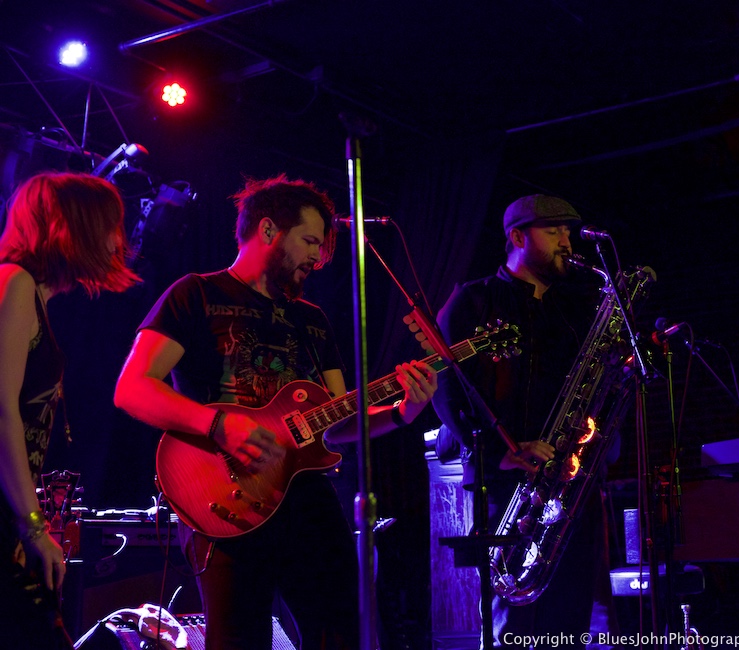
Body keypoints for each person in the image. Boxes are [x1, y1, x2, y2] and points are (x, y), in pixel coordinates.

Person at [113, 173, 437, 650]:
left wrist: (403, 412)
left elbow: (339, 420)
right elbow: (132, 388)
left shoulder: (311, 319)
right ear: (267, 231)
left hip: (305, 496)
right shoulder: (196, 294)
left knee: (343, 632)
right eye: (309, 240)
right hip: (222, 494)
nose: (316, 257)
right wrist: (218, 424)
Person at [432, 194, 611, 649]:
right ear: (517, 237)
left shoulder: (570, 313)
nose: (567, 242)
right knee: (515, 617)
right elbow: (447, 389)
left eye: (568, 231)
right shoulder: (473, 300)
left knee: (571, 614)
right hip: (503, 482)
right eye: (554, 231)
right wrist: (501, 452)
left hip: (567, 483)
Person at [0, 171, 139, 649]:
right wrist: (33, 526)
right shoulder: (13, 282)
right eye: (109, 223)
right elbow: (2, 414)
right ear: (71, 226)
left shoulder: (32, 294)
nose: (117, 238)